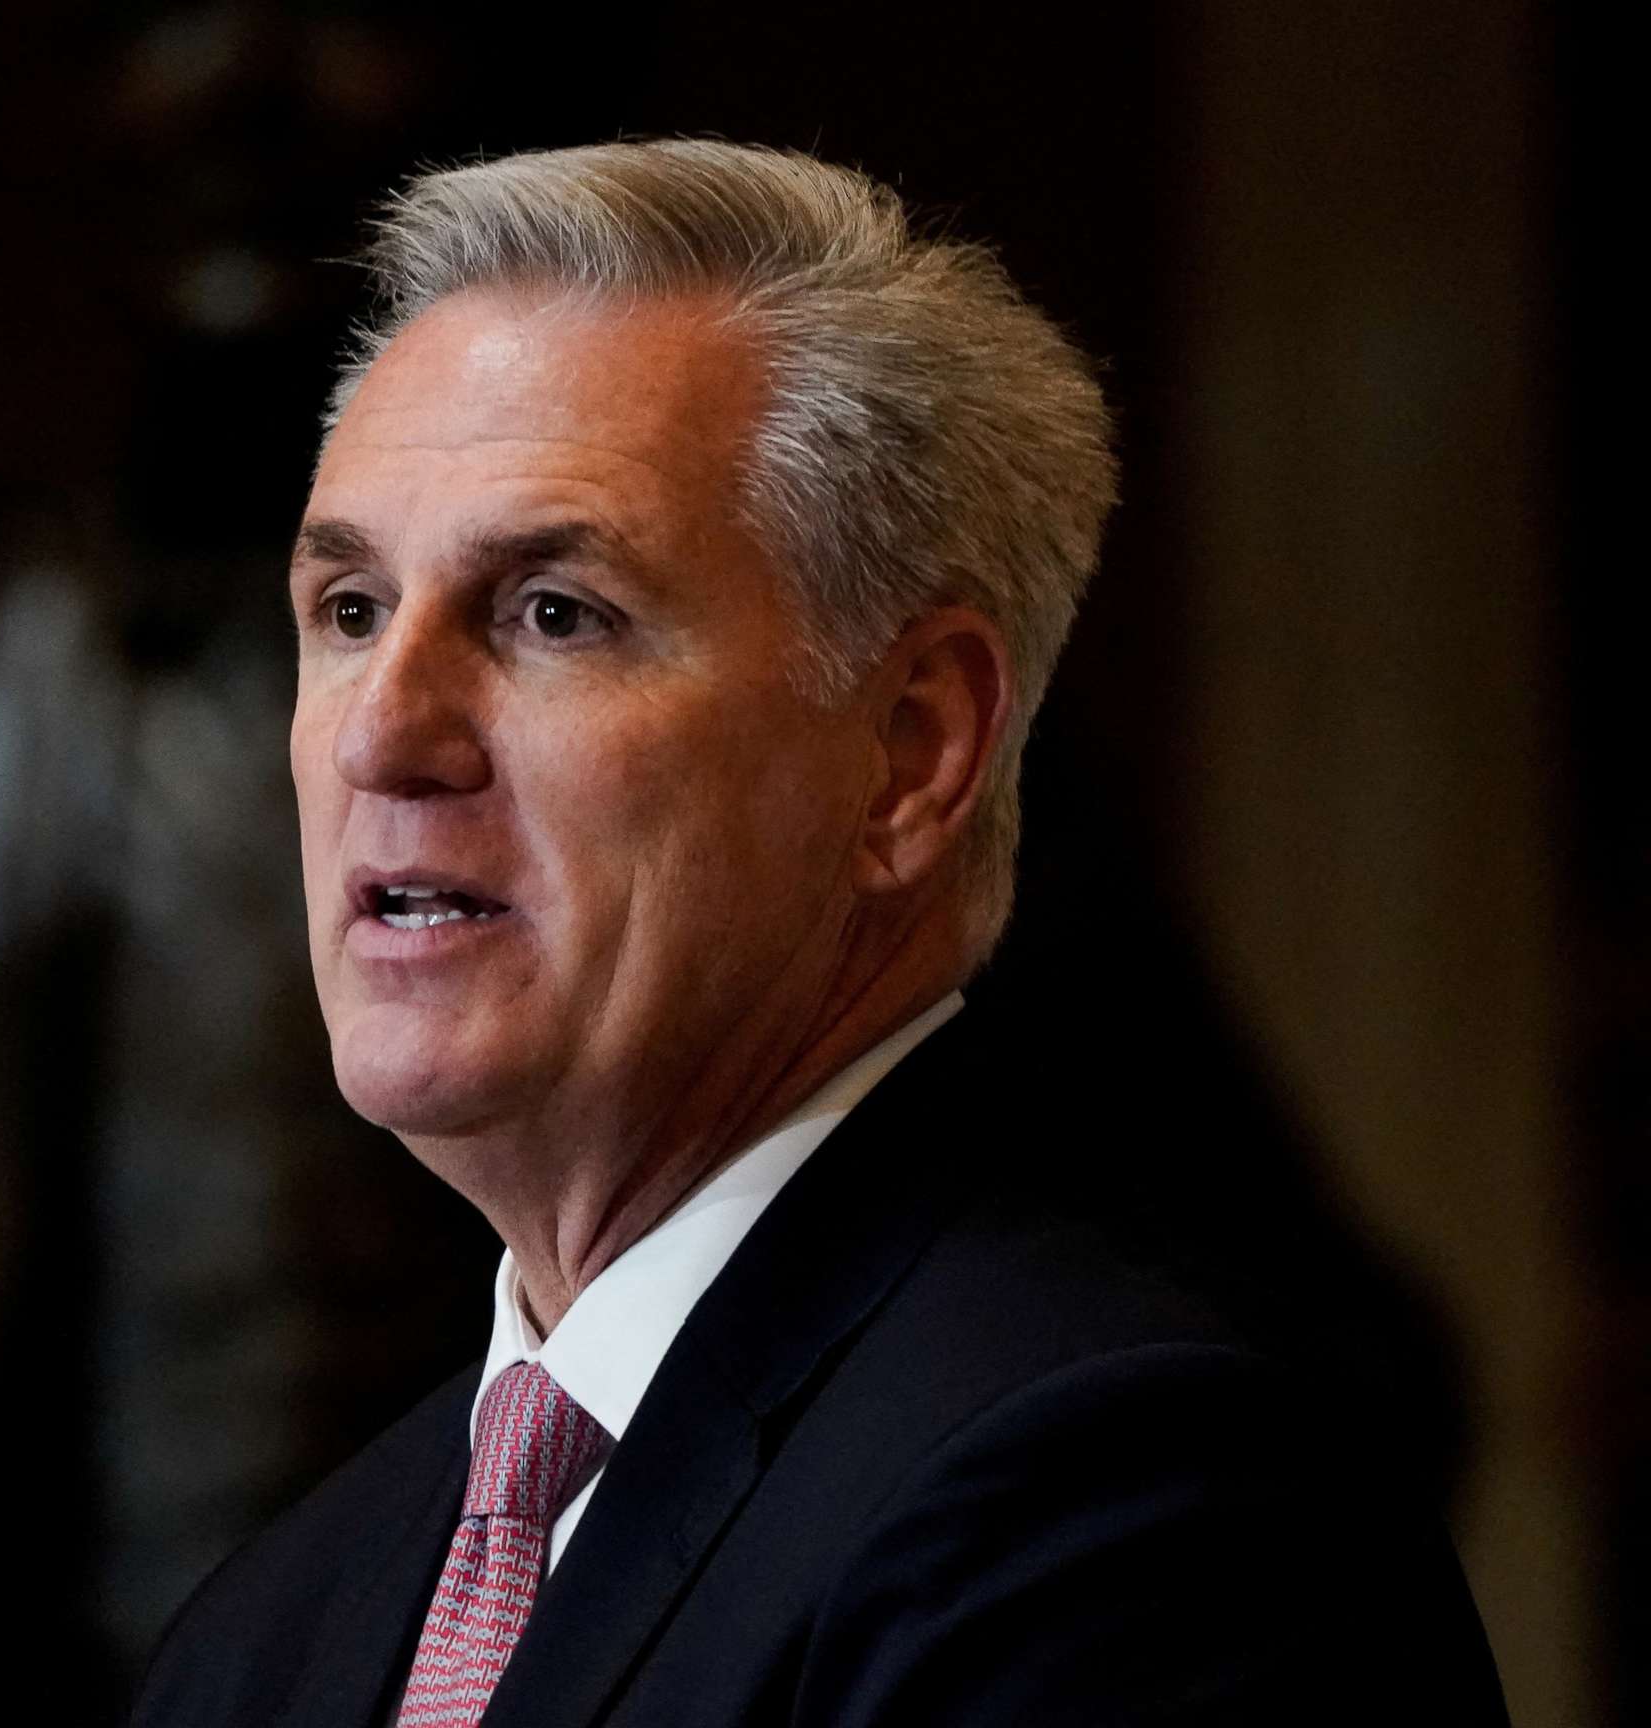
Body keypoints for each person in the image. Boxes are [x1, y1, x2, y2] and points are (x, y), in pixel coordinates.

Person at [130, 140, 1506, 1727]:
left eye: (552, 613)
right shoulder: (270, 1634)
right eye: (352, 611)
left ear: (912, 751)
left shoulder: (1130, 1516)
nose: (383, 734)